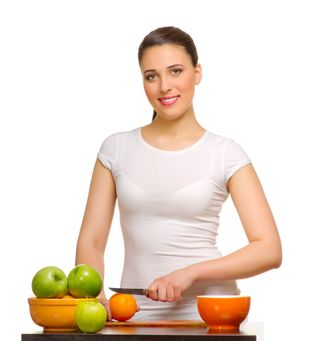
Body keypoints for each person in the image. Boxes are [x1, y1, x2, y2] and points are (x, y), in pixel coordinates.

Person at [75, 26, 282, 321]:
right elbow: (92, 241)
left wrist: (190, 273)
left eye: (175, 71)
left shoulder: (226, 153)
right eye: (151, 76)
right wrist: (96, 299)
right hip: (133, 314)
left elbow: (269, 249)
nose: (164, 87)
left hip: (211, 315)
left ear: (197, 73)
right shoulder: (116, 149)